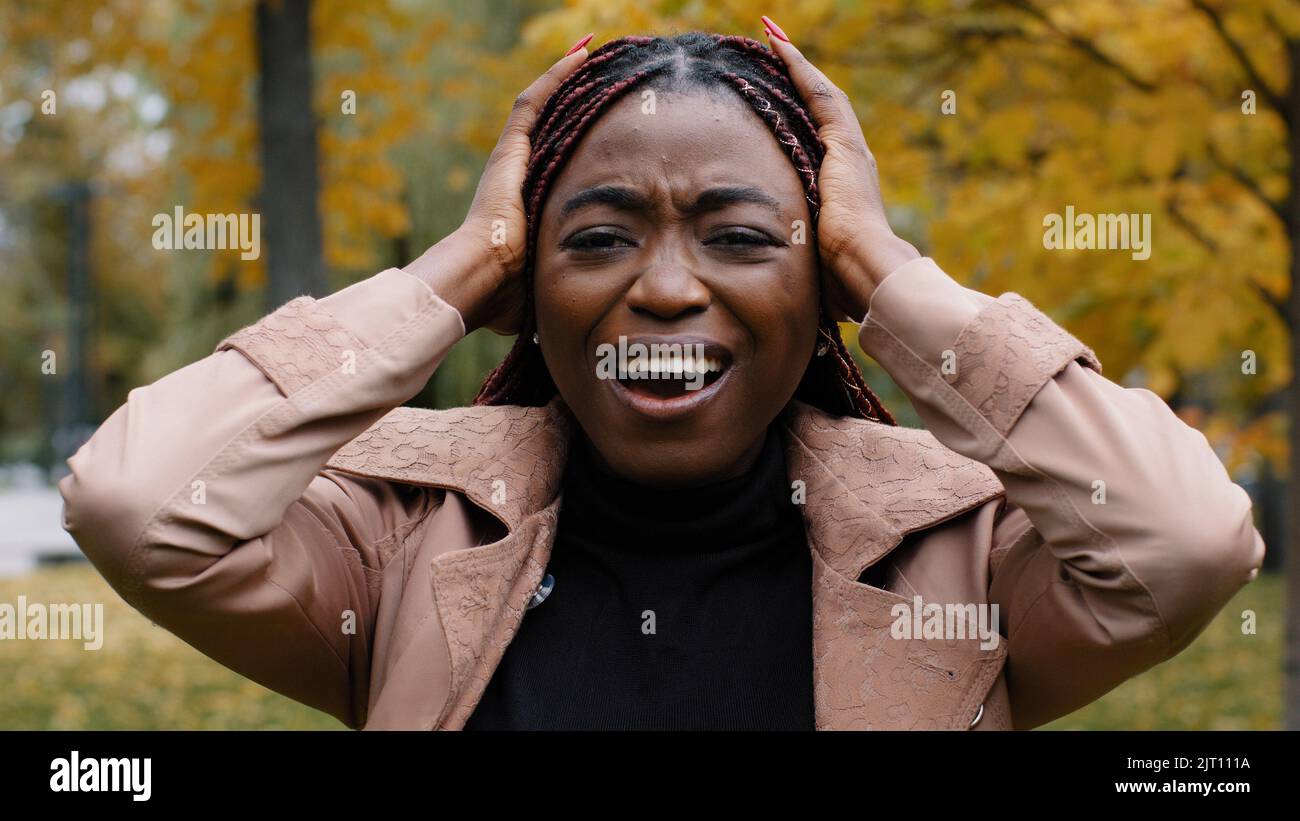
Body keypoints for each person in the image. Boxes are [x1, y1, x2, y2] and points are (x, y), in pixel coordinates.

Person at [60, 21, 1265, 731]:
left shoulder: (966, 552)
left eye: (741, 236)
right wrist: (448, 272)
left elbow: (1185, 539)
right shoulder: (396, 543)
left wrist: (891, 271)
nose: (669, 288)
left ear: (826, 295)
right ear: (526, 289)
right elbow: (138, 504)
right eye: (596, 236)